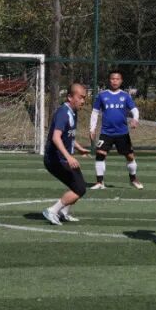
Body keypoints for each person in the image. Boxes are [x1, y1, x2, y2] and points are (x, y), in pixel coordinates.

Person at [42, 83, 91, 225]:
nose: (83, 101)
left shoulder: (73, 112)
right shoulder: (63, 113)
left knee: (78, 186)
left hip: (62, 158)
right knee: (79, 188)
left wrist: (79, 148)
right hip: (55, 159)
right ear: (70, 97)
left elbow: (68, 136)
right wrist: (69, 157)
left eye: (84, 98)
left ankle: (63, 212)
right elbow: (56, 137)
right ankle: (52, 210)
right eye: (80, 97)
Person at [89, 70, 143, 190]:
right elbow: (95, 112)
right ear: (109, 80)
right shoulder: (102, 95)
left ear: (121, 81)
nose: (115, 81)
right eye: (112, 79)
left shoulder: (125, 96)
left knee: (130, 156)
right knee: (100, 154)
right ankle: (99, 182)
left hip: (122, 133)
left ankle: (133, 179)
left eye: (117, 79)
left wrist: (135, 119)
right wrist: (92, 128)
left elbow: (134, 109)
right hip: (106, 132)